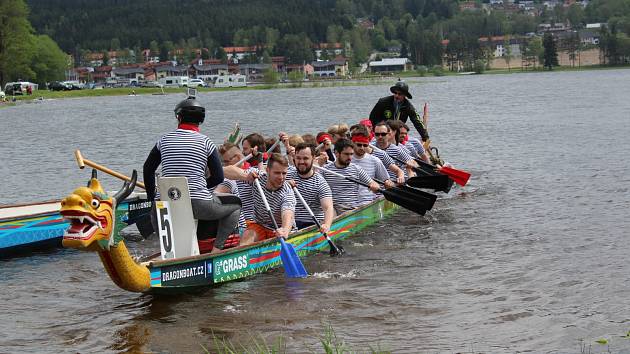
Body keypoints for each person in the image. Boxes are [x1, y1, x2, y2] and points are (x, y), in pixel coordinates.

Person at [143, 97, 242, 253]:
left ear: (179, 117)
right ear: (200, 120)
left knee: (155, 207)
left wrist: (151, 197)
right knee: (236, 206)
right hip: (199, 205)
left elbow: (147, 170)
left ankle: (167, 250)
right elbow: (218, 177)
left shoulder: (163, 140)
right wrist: (203, 187)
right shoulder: (206, 142)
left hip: (167, 204)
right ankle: (216, 250)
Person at [241, 153, 296, 245]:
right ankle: (242, 254)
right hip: (260, 225)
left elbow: (288, 213)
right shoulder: (258, 177)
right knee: (248, 234)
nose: (281, 177)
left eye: (284, 173)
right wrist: (244, 176)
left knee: (282, 231)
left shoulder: (287, 192)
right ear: (267, 170)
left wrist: (285, 230)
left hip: (279, 229)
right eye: (277, 173)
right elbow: (228, 171)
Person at [320, 138, 379, 214]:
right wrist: (319, 165)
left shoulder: (356, 169)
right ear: (336, 153)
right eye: (346, 154)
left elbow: (373, 183)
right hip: (332, 208)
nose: (350, 157)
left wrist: (374, 186)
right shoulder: (325, 169)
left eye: (351, 154)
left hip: (350, 209)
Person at [288, 143, 334, 232]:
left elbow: (328, 207)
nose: (301, 162)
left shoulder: (320, 183)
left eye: (305, 158)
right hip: (290, 223)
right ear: (294, 158)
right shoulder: (286, 175)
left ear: (313, 158)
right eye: (298, 158)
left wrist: (327, 224)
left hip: (313, 224)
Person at [350, 130, 395, 205]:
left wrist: (388, 183)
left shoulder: (375, 161)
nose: (362, 148)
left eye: (365, 145)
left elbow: (386, 181)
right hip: (349, 202)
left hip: (368, 202)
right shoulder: (345, 160)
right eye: (359, 145)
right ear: (353, 143)